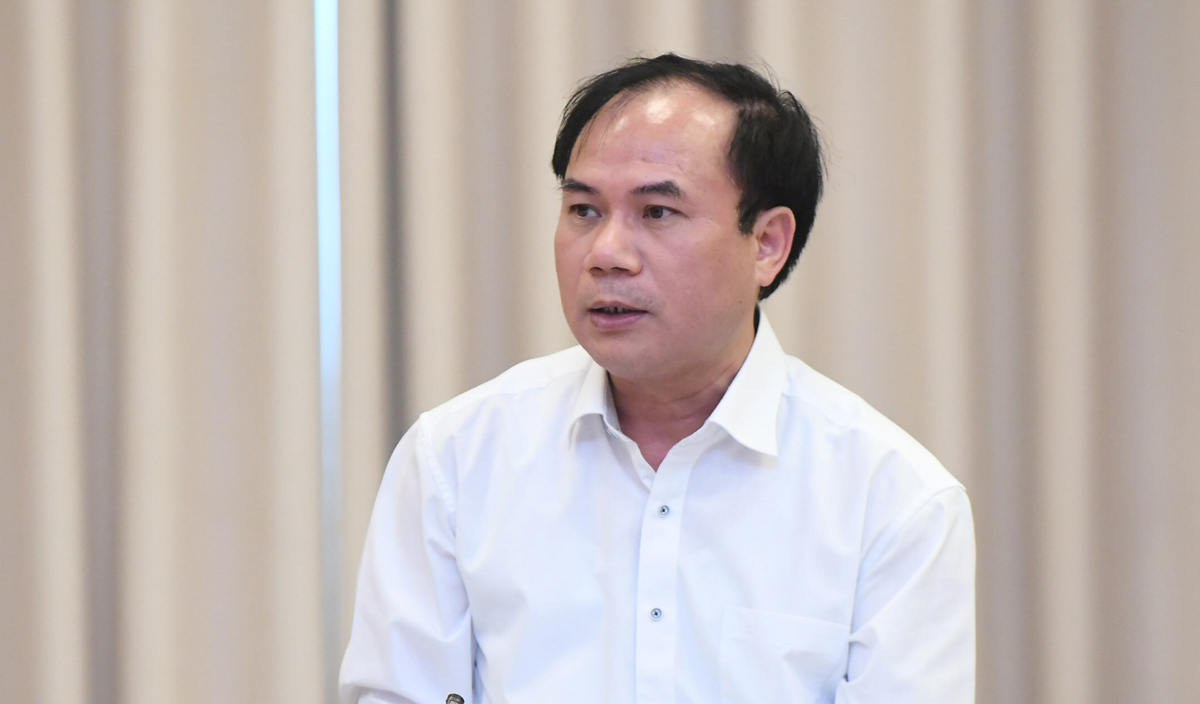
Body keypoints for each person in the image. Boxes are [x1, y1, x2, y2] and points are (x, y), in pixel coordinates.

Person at [339, 54, 975, 703]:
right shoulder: (457, 458)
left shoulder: (893, 502)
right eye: (583, 210)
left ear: (766, 244)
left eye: (657, 212)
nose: (606, 254)